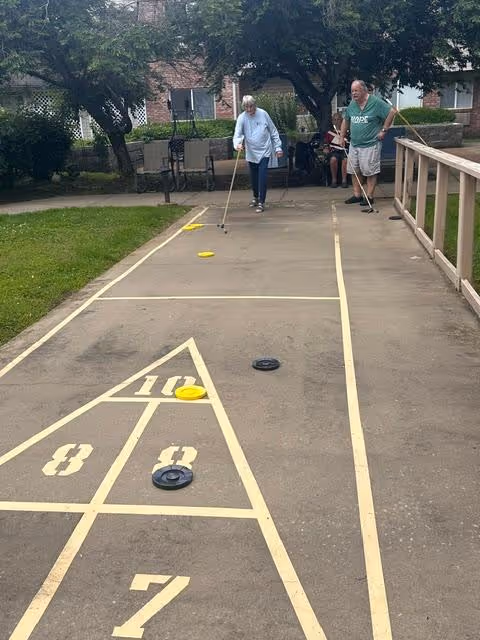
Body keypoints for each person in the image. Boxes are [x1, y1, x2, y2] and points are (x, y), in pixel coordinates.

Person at [339, 80, 396, 206]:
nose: (353, 93)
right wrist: (342, 136)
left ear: (364, 90)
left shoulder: (375, 102)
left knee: (370, 171)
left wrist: (384, 130)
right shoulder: (352, 104)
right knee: (354, 170)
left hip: (370, 144)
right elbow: (346, 120)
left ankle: (369, 196)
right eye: (352, 91)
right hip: (354, 144)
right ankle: (357, 195)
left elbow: (392, 112)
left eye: (356, 90)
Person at [233, 95, 284, 213]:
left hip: (265, 150)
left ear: (254, 105)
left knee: (262, 175)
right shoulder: (242, 118)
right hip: (251, 152)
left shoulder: (263, 114)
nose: (249, 109)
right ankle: (255, 197)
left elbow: (273, 131)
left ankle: (261, 201)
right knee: (254, 177)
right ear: (244, 107)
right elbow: (237, 134)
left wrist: (278, 148)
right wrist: (238, 144)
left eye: (251, 106)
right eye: (246, 107)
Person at [324, 112, 348, 188]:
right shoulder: (329, 133)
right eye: (335, 120)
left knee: (345, 160)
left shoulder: (346, 132)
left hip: (344, 151)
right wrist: (326, 149)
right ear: (332, 121)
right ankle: (334, 180)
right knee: (333, 159)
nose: (337, 121)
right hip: (334, 152)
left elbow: (349, 143)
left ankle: (344, 180)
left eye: (338, 119)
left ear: (341, 121)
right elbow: (326, 144)